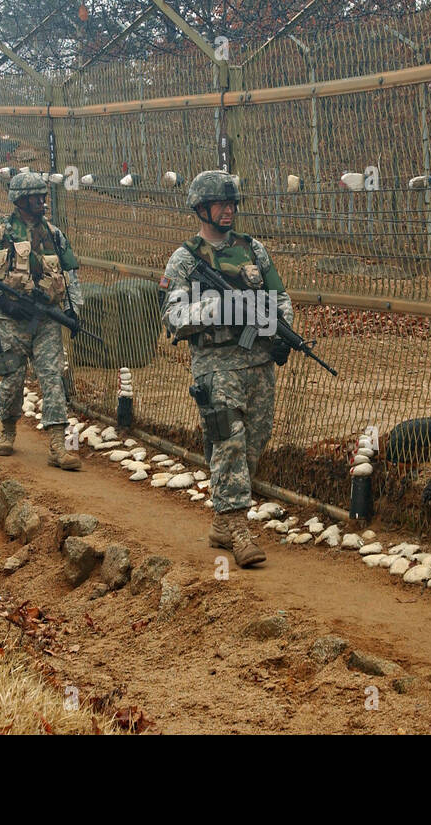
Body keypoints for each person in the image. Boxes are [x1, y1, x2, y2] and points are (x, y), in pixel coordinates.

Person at [159, 170, 294, 568]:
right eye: (220, 203)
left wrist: (283, 332)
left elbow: (278, 297)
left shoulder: (254, 251)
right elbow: (172, 317)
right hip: (215, 367)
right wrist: (218, 308)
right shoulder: (185, 259)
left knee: (255, 440)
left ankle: (221, 519)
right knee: (229, 442)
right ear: (201, 208)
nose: (228, 210)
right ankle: (237, 528)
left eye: (232, 203)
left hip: (258, 362)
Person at [0, 171, 84, 468]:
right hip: (10, 320)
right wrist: (4, 300)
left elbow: (70, 275)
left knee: (52, 376)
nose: (42, 201)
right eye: (36, 197)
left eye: (43, 196)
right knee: (12, 379)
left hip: (46, 318)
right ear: (20, 200)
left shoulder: (54, 235)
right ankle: (8, 429)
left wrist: (72, 311)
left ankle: (58, 444)